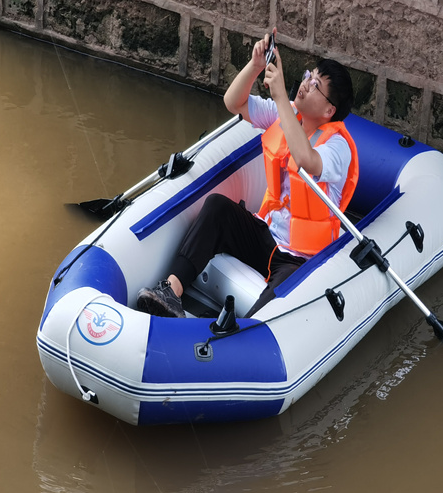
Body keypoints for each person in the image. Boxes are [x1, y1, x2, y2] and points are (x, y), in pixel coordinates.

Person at [137, 30, 358, 319]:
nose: (306, 84)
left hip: (299, 258)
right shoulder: (287, 112)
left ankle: (243, 339)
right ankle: (170, 291)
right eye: (308, 76)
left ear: (330, 109)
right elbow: (234, 102)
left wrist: (280, 96)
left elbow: (306, 159)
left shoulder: (338, 146)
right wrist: (255, 65)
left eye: (316, 85)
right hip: (264, 235)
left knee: (286, 290)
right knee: (217, 207)